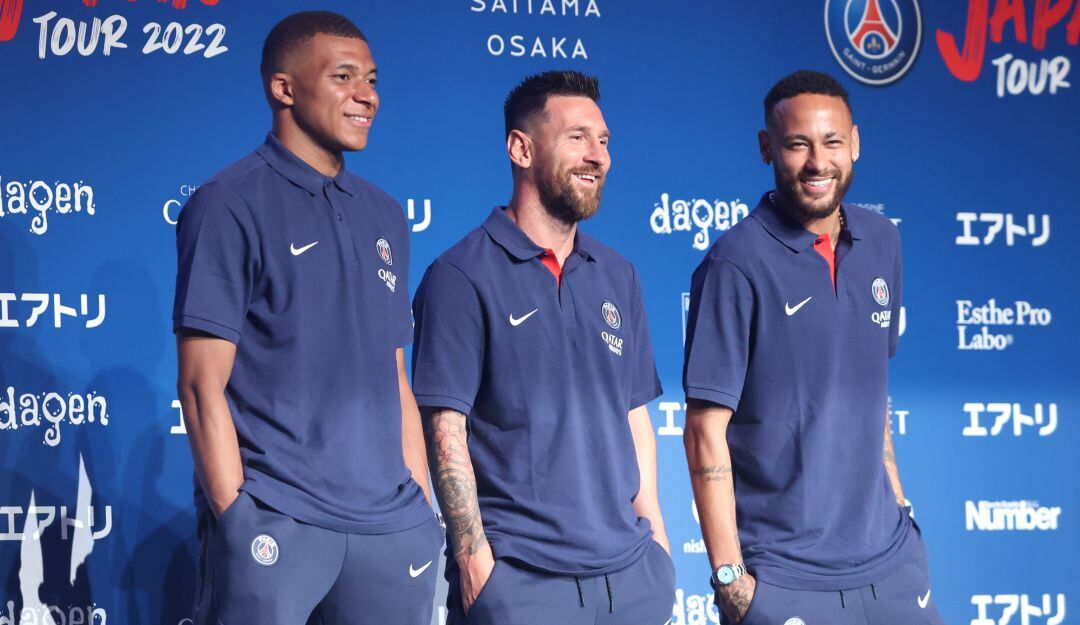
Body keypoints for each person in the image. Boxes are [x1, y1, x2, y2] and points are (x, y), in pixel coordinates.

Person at [173, 11, 440, 625]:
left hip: (391, 530)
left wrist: (420, 507)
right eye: (344, 76)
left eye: (371, 79)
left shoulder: (385, 215)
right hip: (277, 520)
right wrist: (237, 518)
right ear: (284, 88)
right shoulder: (228, 203)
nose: (367, 95)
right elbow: (198, 383)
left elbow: (393, 370)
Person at [411, 70, 675, 625]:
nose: (597, 155)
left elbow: (634, 419)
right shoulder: (460, 274)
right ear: (520, 147)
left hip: (631, 578)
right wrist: (474, 561)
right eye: (577, 137)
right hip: (524, 582)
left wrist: (658, 544)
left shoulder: (618, 273)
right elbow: (445, 430)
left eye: (604, 141)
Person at [682, 70, 945, 625]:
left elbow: (873, 390)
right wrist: (731, 581)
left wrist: (900, 507)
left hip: (892, 565)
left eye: (830, 142)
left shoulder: (883, 241)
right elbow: (705, 431)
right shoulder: (735, 263)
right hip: (787, 577)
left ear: (855, 142)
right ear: (766, 148)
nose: (817, 162)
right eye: (798, 143)